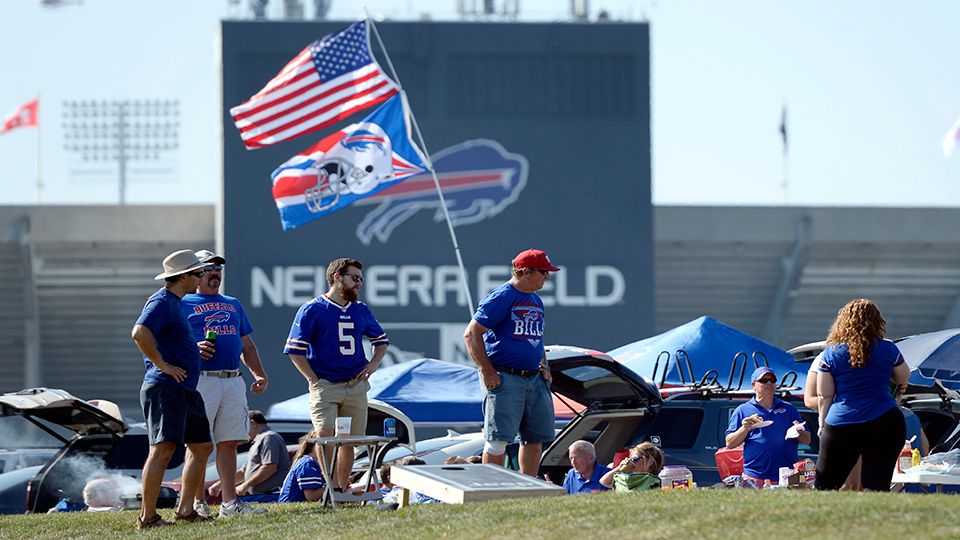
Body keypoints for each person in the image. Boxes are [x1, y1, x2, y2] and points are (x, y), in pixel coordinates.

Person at [284, 257, 389, 491]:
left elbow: (381, 341)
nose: (359, 283)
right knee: (325, 434)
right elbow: (295, 350)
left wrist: (373, 364)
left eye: (361, 278)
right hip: (326, 383)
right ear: (337, 277)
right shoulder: (313, 309)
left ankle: (342, 488)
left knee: (350, 439)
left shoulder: (361, 310)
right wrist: (312, 379)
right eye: (354, 277)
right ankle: (328, 486)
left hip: (355, 383)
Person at [181, 249, 269, 518]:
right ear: (196, 274)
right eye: (208, 268)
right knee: (198, 444)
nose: (214, 272)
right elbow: (169, 342)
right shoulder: (183, 303)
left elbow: (247, 345)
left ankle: (230, 504)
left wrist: (259, 374)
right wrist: (192, 349)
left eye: (218, 268)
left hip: (232, 378)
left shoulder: (232, 303)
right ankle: (196, 503)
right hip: (201, 381)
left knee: (229, 442)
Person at [131, 250, 214, 529]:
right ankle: (148, 516)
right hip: (166, 386)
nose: (202, 277)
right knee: (163, 448)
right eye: (198, 273)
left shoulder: (177, 302)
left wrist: (192, 350)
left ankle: (186, 509)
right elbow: (139, 332)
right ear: (183, 277)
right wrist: (163, 365)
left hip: (185, 388)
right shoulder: (162, 301)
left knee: (202, 446)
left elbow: (170, 339)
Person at [463, 248, 559, 477]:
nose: (547, 277)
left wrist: (544, 366)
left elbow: (536, 338)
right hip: (505, 376)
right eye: (544, 272)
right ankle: (493, 488)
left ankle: (528, 485)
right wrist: (487, 371)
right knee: (498, 439)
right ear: (526, 272)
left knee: (535, 438)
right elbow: (471, 334)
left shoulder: (536, 300)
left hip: (533, 377)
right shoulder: (502, 296)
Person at [815, 298, 911, 491]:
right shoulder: (888, 348)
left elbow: (824, 394)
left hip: (841, 423)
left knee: (825, 487)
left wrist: (822, 424)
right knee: (877, 486)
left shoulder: (831, 353)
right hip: (884, 420)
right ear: (877, 322)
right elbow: (903, 376)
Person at [725, 367, 811, 485]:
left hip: (787, 475)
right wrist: (745, 428)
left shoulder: (789, 409)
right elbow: (730, 443)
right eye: (764, 380)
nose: (769, 383)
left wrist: (799, 431)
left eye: (772, 380)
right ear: (753, 385)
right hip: (754, 476)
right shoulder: (742, 411)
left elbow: (807, 440)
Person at [803, 352, 862, 491]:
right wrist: (840, 403)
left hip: (863, 424)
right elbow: (809, 399)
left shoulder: (866, 356)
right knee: (844, 484)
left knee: (856, 484)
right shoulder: (825, 357)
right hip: (837, 425)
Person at [207, 410, 291, 504]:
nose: (241, 429)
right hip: (260, 495)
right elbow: (243, 472)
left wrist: (245, 485)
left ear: (252, 423)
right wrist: (220, 485)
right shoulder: (258, 440)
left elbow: (269, 467)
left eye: (244, 424)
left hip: (270, 495)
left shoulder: (269, 437)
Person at [278, 432, 326, 503]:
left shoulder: (310, 462)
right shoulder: (308, 464)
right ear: (314, 445)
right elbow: (311, 496)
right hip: (291, 505)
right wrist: (334, 488)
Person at [599, 441, 664, 490]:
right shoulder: (629, 480)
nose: (631, 461)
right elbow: (604, 482)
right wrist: (619, 468)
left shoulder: (656, 481)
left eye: (635, 459)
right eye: (630, 458)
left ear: (649, 462)